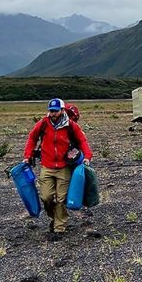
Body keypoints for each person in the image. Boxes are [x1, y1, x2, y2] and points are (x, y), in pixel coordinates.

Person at [23, 98, 92, 241]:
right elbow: (32, 138)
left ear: (61, 110)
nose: (53, 114)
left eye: (55, 111)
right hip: (47, 166)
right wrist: (27, 155)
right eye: (50, 111)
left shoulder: (70, 125)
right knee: (46, 197)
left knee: (61, 198)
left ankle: (59, 227)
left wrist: (87, 156)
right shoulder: (43, 123)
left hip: (64, 167)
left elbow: (82, 141)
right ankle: (54, 217)